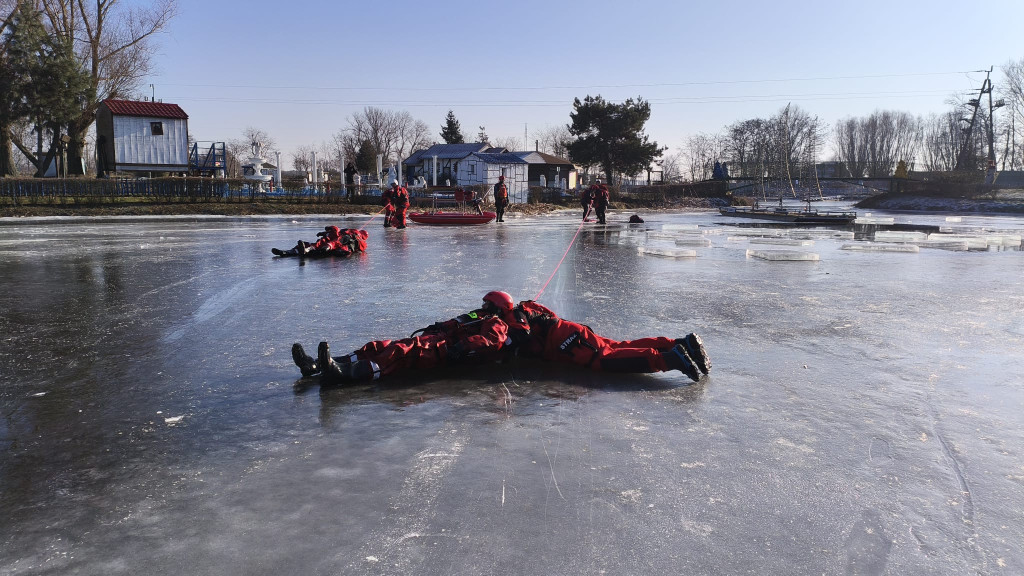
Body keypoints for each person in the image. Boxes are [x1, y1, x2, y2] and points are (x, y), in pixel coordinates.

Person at [290, 291, 519, 386]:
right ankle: (319, 365)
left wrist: (461, 346)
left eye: (487, 304)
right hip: (436, 339)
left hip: (443, 351)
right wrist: (438, 325)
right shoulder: (478, 316)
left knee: (398, 352)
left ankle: (344, 374)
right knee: (380, 345)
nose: (482, 306)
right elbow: (457, 322)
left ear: (496, 307)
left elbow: (492, 340)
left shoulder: (496, 322)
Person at [500, 298, 710, 382]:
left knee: (604, 359)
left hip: (566, 340)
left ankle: (670, 359)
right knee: (616, 347)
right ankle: (679, 344)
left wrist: (506, 347)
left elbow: (522, 334)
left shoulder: (512, 316)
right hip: (570, 334)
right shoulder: (524, 308)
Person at [271, 226, 368, 258]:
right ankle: (298, 251)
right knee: (319, 245)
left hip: (337, 247)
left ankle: (290, 252)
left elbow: (337, 235)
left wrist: (325, 233)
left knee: (320, 244)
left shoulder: (352, 235)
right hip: (335, 247)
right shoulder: (358, 239)